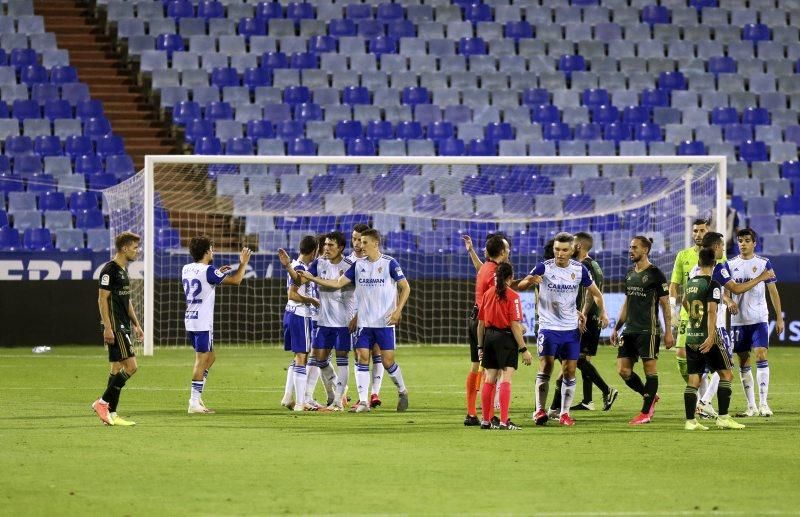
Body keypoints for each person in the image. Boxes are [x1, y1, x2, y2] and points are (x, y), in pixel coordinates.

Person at [300, 228, 411, 412]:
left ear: (375, 243)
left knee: (388, 362)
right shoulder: (358, 266)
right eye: (359, 242)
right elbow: (337, 283)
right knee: (362, 358)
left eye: (364, 242)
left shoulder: (390, 263)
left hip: (384, 323)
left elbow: (405, 288)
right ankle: (363, 402)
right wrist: (314, 279)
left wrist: (398, 311)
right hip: (364, 323)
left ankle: (402, 390)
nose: (360, 245)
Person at [518, 232, 608, 427]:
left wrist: (603, 313)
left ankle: (564, 414)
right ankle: (539, 410)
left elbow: (596, 293)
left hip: (571, 328)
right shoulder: (544, 267)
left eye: (564, 250)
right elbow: (522, 284)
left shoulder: (580, 269)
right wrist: (530, 281)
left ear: (572, 249)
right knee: (547, 366)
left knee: (570, 370)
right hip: (548, 327)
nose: (560, 253)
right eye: (557, 249)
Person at [692, 232, 774, 417]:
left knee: (704, 369)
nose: (723, 249)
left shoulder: (694, 271)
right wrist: (761, 277)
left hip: (696, 326)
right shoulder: (720, 268)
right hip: (716, 326)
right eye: (721, 246)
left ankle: (699, 407)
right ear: (714, 248)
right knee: (726, 368)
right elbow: (735, 288)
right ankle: (705, 403)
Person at [279, 232, 353, 410]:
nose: (326, 248)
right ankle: (314, 396)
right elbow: (299, 280)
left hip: (343, 320)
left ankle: (336, 399)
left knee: (341, 358)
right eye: (324, 245)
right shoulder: (318, 263)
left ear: (340, 248)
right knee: (316, 358)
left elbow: (337, 284)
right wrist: (288, 266)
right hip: (321, 320)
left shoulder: (350, 265)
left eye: (330, 245)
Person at [182, 236, 251, 414]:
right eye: (211, 249)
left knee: (210, 358)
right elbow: (236, 281)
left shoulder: (186, 268)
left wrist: (218, 272)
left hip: (191, 318)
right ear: (206, 251)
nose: (213, 251)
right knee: (202, 359)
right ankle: (194, 402)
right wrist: (242, 264)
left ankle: (197, 398)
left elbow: (205, 280)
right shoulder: (208, 271)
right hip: (203, 322)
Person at [611, 236, 674, 425]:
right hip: (630, 330)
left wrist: (668, 331)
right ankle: (650, 396)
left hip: (648, 331)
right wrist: (616, 327)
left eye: (634, 247)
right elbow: (627, 303)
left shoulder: (656, 274)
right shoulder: (630, 274)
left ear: (645, 250)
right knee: (623, 370)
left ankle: (645, 413)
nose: (631, 250)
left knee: (650, 371)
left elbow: (665, 305)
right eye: (630, 247)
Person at [682, 247, 745, 430]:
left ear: (699, 262)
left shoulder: (691, 282)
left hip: (691, 337)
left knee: (693, 380)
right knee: (726, 374)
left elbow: (685, 301)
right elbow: (711, 311)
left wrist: (694, 320)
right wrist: (711, 336)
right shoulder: (713, 284)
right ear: (714, 263)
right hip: (709, 337)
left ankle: (690, 421)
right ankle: (723, 418)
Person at [728, 228, 783, 417]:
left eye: (746, 240)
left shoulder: (763, 263)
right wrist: (728, 301)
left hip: (759, 318)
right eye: (740, 240)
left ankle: (764, 404)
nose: (742, 243)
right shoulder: (730, 264)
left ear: (754, 243)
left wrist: (780, 317)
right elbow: (726, 292)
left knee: (761, 355)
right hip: (738, 321)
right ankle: (750, 405)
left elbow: (773, 291)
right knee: (743, 360)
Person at [91, 231, 144, 427]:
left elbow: (126, 301)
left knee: (115, 369)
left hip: (125, 325)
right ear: (124, 248)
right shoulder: (109, 270)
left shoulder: (122, 270)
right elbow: (101, 299)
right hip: (116, 327)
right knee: (131, 367)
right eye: (134, 247)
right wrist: (107, 328)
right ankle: (102, 403)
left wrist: (137, 325)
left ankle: (111, 415)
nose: (137, 251)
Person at [476, 262, 533, 430]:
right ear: (511, 277)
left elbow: (480, 323)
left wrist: (480, 347)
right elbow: (515, 325)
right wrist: (524, 350)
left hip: (489, 338)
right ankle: (503, 421)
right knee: (506, 379)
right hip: (505, 339)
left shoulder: (487, 294)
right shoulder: (513, 296)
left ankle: (486, 421)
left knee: (489, 379)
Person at [462, 233, 510, 426]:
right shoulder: (496, 272)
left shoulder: (486, 269)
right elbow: (500, 295)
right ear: (501, 251)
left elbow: (480, 268)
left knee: (477, 366)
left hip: (474, 320)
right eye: (506, 248)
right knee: (493, 370)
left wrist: (471, 251)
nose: (509, 251)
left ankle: (472, 413)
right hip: (486, 324)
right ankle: (489, 416)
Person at [570, 232, 617, 412]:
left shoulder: (584, 266)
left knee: (578, 359)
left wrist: (584, 314)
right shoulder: (595, 264)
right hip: (592, 317)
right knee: (584, 359)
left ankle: (607, 390)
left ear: (579, 246)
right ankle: (588, 400)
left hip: (587, 318)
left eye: (573, 244)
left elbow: (591, 292)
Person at [280, 235, 320, 411]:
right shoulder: (300, 268)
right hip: (299, 315)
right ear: (314, 251)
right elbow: (293, 294)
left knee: (298, 357)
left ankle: (288, 397)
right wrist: (310, 299)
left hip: (291, 314)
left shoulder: (297, 266)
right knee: (302, 358)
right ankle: (300, 403)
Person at [669, 219, 711, 385]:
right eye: (695, 231)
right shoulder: (683, 255)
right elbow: (674, 285)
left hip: (708, 315)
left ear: (707, 232)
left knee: (706, 357)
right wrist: (672, 309)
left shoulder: (717, 257)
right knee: (681, 354)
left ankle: (701, 400)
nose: (698, 234)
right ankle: (696, 389)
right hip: (687, 313)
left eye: (702, 230)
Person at [348, 223, 385, 408]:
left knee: (377, 353)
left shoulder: (379, 261)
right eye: (354, 239)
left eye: (360, 239)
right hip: (356, 315)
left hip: (377, 316)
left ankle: (374, 393)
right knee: (360, 355)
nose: (356, 243)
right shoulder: (349, 262)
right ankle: (361, 395)